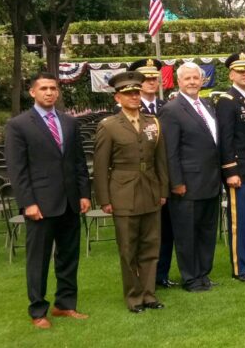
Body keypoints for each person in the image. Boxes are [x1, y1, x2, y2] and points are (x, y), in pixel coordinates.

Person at [5, 72, 91, 329]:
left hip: (69, 202)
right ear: (32, 92)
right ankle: (38, 311)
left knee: (68, 256)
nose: (49, 92)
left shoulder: (69, 122)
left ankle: (65, 305)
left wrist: (84, 194)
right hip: (40, 204)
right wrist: (27, 202)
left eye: (53, 88)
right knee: (38, 260)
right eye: (43, 88)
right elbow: (17, 170)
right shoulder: (19, 125)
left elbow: (78, 162)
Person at [93, 71, 168, 313]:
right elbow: (101, 166)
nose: (135, 97)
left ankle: (148, 294)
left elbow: (161, 161)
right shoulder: (109, 127)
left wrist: (163, 190)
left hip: (150, 190)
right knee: (128, 248)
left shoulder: (152, 122)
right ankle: (134, 296)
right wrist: (104, 199)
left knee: (150, 246)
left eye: (137, 92)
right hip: (123, 192)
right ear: (118, 98)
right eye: (128, 93)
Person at [159, 62, 222, 291]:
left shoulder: (206, 104)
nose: (193, 82)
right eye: (188, 79)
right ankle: (191, 278)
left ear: (202, 80)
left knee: (206, 232)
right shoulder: (172, 109)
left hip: (211, 181)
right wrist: (176, 182)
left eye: (196, 78)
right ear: (179, 82)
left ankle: (204, 273)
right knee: (187, 235)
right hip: (187, 185)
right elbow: (170, 151)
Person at [128, 58, 176, 289]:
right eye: (145, 78)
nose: (150, 81)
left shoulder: (167, 107)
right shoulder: (129, 110)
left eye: (154, 77)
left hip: (165, 178)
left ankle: (161, 275)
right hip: (140, 181)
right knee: (141, 233)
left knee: (166, 231)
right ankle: (141, 278)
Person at [216, 52, 245, 282]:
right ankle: (239, 267)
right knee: (239, 220)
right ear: (231, 74)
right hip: (238, 171)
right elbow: (225, 139)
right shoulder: (227, 101)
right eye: (240, 71)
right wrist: (230, 170)